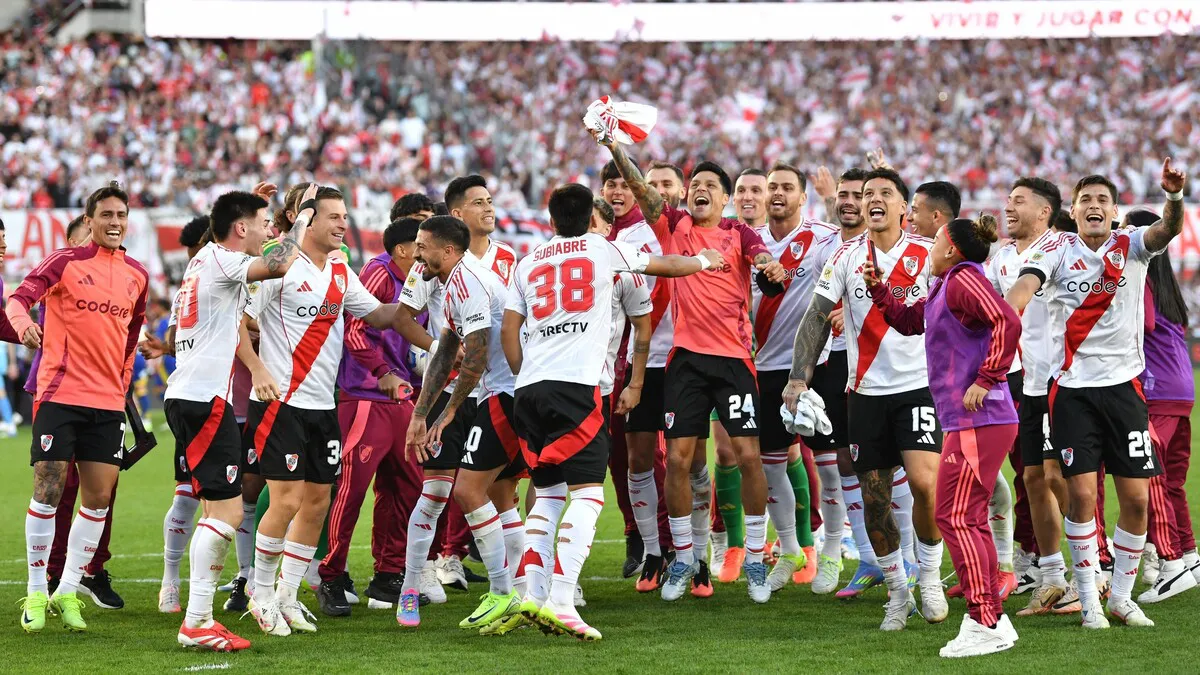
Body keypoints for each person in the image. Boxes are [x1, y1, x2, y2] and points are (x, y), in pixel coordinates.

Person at [502, 183, 722, 639]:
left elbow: (510, 330)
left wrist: (527, 374)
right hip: (577, 385)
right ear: (590, 218)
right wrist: (705, 260)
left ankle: (534, 594)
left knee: (546, 494)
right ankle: (562, 600)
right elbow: (668, 266)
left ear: (550, 219)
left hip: (529, 387)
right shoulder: (605, 249)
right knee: (587, 494)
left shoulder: (528, 262)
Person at [595, 128, 787, 604]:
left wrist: (769, 267)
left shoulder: (737, 233)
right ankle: (682, 558)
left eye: (711, 186)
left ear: (724, 199)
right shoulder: (675, 225)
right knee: (678, 460)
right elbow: (641, 188)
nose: (701, 189)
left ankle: (757, 559)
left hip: (735, 363)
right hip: (686, 363)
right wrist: (613, 145)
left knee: (747, 457)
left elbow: (761, 257)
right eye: (695, 183)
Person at [1003, 160, 1188, 628]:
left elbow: (1167, 229)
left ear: (1114, 211)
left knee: (1137, 500)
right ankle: (1088, 601)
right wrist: (1009, 308)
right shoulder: (1058, 250)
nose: (1094, 206)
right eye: (1085, 199)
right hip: (1071, 393)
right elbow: (1028, 281)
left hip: (1126, 391)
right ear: (1074, 209)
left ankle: (1122, 597)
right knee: (1081, 496)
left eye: (1102, 199)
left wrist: (1174, 197)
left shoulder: (1131, 246)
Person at [784, 168, 948, 631]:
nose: (873, 199)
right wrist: (799, 378)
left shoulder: (927, 254)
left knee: (923, 483)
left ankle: (930, 577)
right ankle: (898, 592)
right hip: (865, 394)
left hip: (918, 387)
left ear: (903, 208)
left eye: (884, 194)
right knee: (874, 500)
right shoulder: (845, 257)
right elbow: (816, 317)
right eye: (866, 193)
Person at [239, 186, 400, 637]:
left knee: (316, 503)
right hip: (280, 403)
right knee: (286, 500)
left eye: (344, 216)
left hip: (322, 406)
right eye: (333, 216)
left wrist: (423, 288)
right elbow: (240, 321)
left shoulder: (342, 272)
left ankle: (288, 597)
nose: (342, 224)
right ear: (307, 220)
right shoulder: (280, 267)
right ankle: (262, 593)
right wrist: (256, 370)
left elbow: (383, 316)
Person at [862, 215, 1022, 657]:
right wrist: (879, 289)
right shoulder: (946, 283)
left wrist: (987, 378)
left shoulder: (963, 278)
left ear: (951, 248)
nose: (928, 246)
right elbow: (912, 322)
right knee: (965, 516)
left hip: (979, 417)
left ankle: (983, 620)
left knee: (955, 516)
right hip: (967, 420)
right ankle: (992, 617)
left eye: (934, 240)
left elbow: (1007, 321)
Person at [163, 186, 310, 651]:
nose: (271, 232)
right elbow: (282, 262)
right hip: (205, 400)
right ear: (241, 228)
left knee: (213, 510)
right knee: (227, 513)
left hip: (190, 395)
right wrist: (299, 221)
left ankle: (198, 615)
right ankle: (197, 621)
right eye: (264, 224)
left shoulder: (203, 260)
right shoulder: (223, 259)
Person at [10, 182, 149, 634]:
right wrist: (23, 322)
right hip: (59, 394)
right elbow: (18, 297)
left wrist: (122, 383)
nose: (114, 222)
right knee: (49, 488)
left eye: (120, 215)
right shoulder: (65, 261)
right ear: (89, 221)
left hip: (106, 404)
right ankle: (35, 589)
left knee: (98, 499)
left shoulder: (137, 275)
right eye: (105, 214)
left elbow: (131, 338)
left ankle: (68, 591)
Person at [390, 177, 516, 625]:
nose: (413, 254)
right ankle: (411, 587)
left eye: (421, 246)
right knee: (441, 491)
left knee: (486, 492)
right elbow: (446, 348)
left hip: (505, 395)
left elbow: (476, 357)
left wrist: (442, 417)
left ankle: (511, 591)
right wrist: (421, 415)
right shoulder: (450, 275)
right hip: (471, 392)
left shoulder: (477, 280)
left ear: (446, 248)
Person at [315, 217, 425, 617]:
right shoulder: (378, 273)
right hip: (365, 394)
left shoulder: (423, 278)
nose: (428, 247)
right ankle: (330, 575)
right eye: (422, 240)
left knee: (407, 486)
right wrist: (384, 373)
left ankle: (388, 574)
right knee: (351, 488)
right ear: (402, 249)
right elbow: (355, 331)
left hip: (403, 397)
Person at [985, 177, 1075, 617]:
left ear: (1044, 211)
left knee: (1067, 478)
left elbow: (1013, 303)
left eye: (1019, 201)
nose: (1009, 207)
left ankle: (1092, 568)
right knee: (1034, 478)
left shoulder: (1063, 247)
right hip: (1025, 382)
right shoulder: (1001, 256)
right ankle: (1053, 578)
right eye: (1008, 200)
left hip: (1067, 380)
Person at [749, 163, 841, 591]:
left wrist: (832, 201)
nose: (779, 193)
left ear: (803, 197)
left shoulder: (822, 238)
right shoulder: (750, 244)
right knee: (770, 468)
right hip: (762, 367)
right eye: (773, 188)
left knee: (831, 465)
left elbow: (854, 248)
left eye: (788, 187)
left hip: (812, 367)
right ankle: (788, 550)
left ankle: (833, 554)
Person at [600, 157, 675, 590]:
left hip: (647, 358)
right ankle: (638, 536)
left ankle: (670, 544)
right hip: (607, 363)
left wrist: (633, 360)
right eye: (609, 184)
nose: (616, 191)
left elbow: (650, 298)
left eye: (623, 184)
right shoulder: (597, 234)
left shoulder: (646, 231)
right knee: (617, 457)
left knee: (662, 456)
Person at [1125, 207, 1199, 604]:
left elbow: (1145, 324)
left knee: (1148, 479)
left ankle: (1171, 563)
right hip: (1182, 391)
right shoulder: (1166, 280)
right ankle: (1189, 554)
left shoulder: (1141, 279)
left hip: (1156, 391)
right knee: (1170, 481)